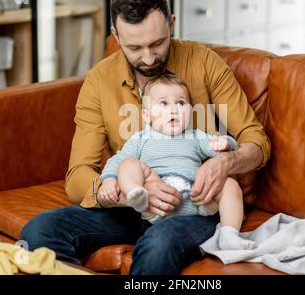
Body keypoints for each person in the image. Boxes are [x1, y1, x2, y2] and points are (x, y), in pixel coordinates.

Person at [20, 0, 270, 274]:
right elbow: (77, 177)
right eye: (135, 48)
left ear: (172, 24)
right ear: (116, 36)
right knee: (38, 231)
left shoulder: (204, 63)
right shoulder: (100, 81)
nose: (149, 58)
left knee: (159, 243)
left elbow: (257, 142)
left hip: (193, 206)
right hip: (129, 208)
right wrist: (128, 193)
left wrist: (225, 163)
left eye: (157, 43)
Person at [99, 74, 255, 251]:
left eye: (180, 103)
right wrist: (109, 180)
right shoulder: (141, 138)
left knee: (229, 184)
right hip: (153, 204)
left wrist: (225, 143)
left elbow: (228, 149)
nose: (173, 110)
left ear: (189, 111)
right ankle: (136, 193)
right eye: (163, 103)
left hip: (195, 201)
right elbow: (117, 160)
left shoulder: (195, 136)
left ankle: (229, 234)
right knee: (128, 163)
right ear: (146, 115)